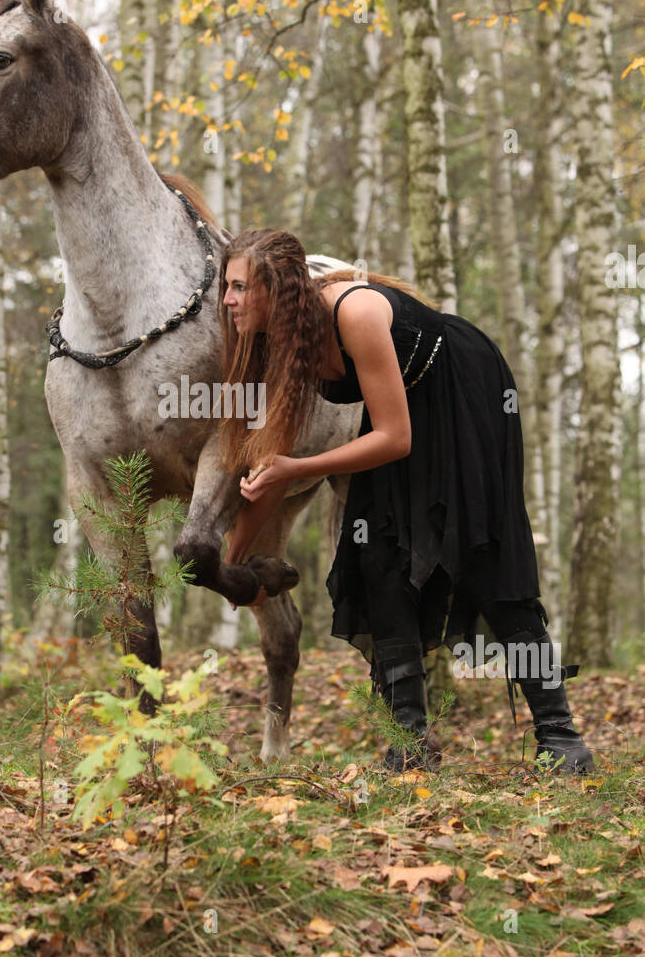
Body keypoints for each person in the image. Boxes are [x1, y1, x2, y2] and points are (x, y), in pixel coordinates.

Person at [218, 228, 594, 776]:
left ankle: (561, 738)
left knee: (478, 554)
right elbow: (265, 468)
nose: (226, 300)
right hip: (395, 411)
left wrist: (300, 467)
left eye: (237, 287)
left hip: (462, 395)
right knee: (379, 559)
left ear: (274, 289)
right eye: (225, 287)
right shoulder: (276, 344)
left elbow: (394, 438)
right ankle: (410, 746)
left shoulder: (355, 313)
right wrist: (231, 567)